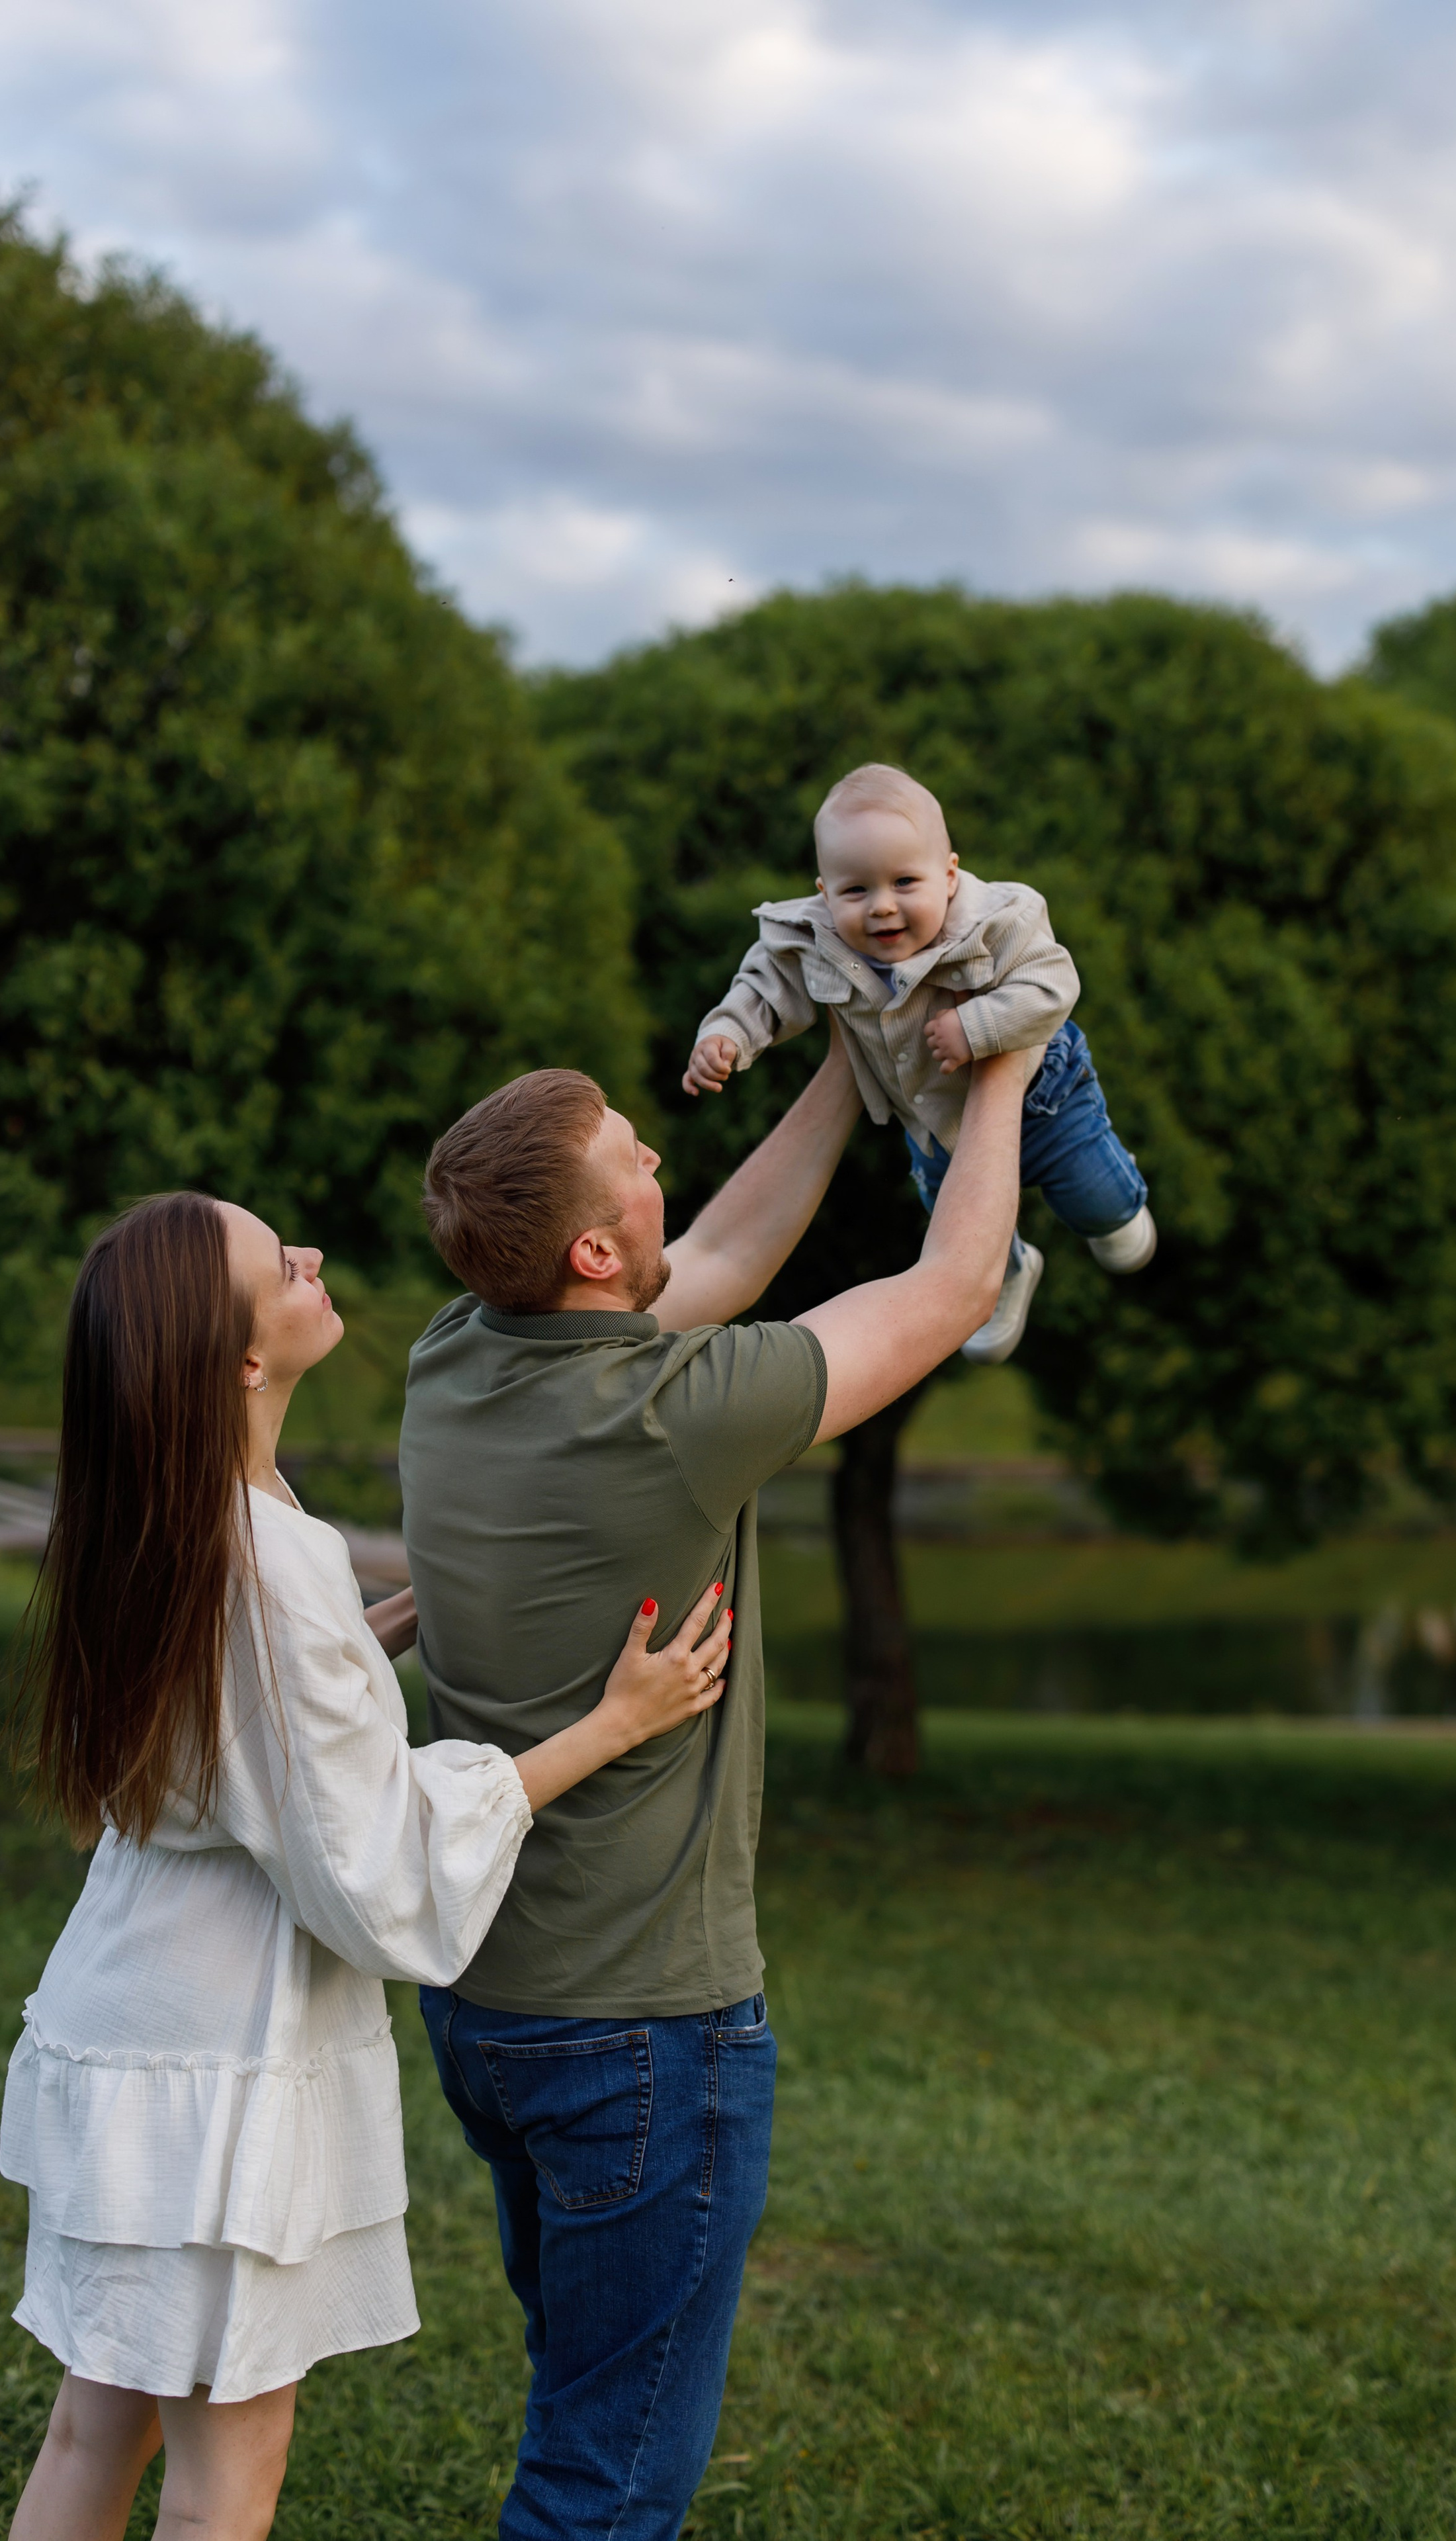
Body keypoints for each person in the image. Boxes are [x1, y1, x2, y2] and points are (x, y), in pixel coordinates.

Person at [0, 1190, 735, 2541]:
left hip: (127, 2033)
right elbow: (377, 1861)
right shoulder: (265, 1561)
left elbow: (253, 1716)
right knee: (228, 2470)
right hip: (217, 2068)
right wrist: (609, 1727)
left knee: (93, 2424)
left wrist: (392, 1621)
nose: (311, 1259)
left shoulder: (169, 1512)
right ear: (239, 1357)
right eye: (279, 1263)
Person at [400, 1033, 1031, 2541]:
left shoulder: (458, 1352)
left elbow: (726, 1254)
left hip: (489, 2006)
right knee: (605, 2484)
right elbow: (947, 1290)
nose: (658, 1154)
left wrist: (856, 1059)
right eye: (633, 1150)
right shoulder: (674, 1414)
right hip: (642, 2042)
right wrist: (1006, 1062)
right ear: (598, 1246)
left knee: (588, 2393)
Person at [683, 760, 1155, 1364]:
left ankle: (1118, 1195)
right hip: (932, 1121)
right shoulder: (811, 940)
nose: (882, 907)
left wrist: (977, 1026)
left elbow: (1054, 983)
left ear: (950, 875)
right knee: (958, 1233)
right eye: (857, 890)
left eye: (906, 882)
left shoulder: (997, 920)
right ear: (826, 895)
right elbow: (763, 988)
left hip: (1045, 1100)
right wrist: (726, 1035)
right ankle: (1007, 1269)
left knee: (1103, 1214)